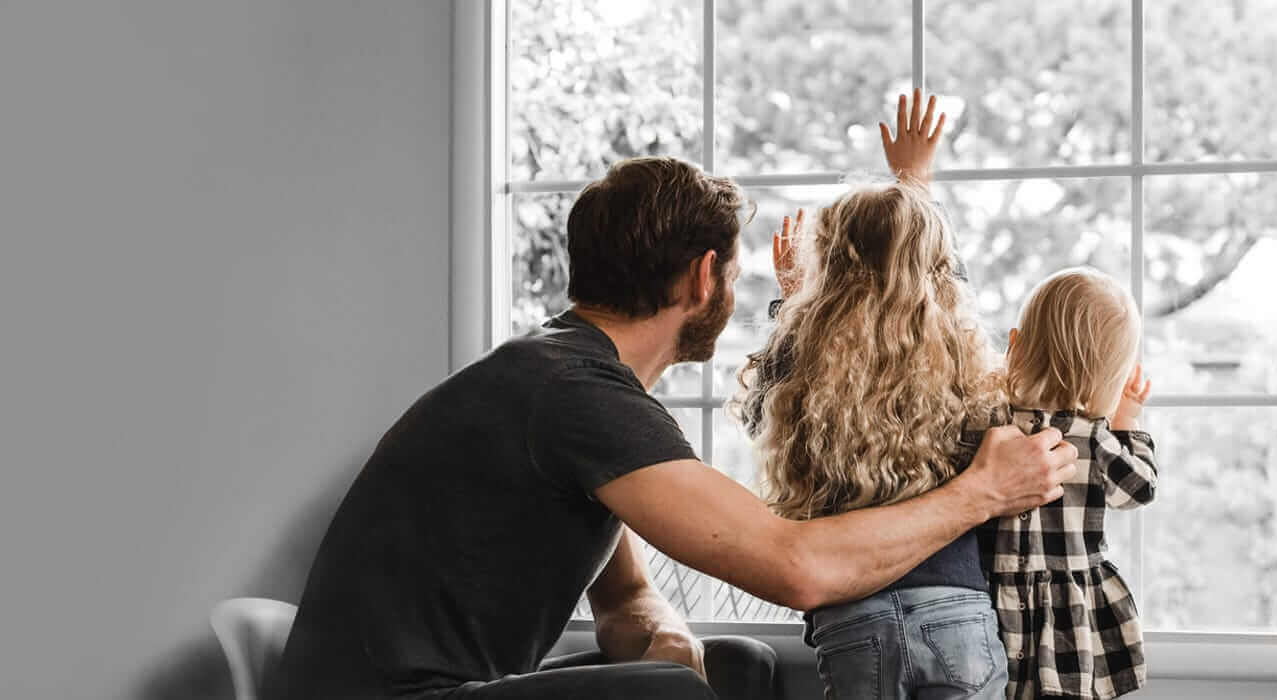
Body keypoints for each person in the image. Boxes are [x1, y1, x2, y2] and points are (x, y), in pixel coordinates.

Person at [265, 104, 1080, 698]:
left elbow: (624, 599)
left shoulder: (562, 384)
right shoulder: (577, 396)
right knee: (668, 695)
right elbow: (798, 570)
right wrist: (982, 491)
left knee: (734, 666)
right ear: (702, 278)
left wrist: (667, 638)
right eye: (733, 271)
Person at [734, 90, 1011, 699]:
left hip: (852, 618)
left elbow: (762, 416)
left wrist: (792, 307)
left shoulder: (803, 355)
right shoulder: (959, 354)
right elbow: (930, 276)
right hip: (955, 612)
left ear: (825, 266)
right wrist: (915, 183)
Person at [984, 268, 1160, 699]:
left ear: (1017, 346)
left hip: (992, 602)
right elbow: (1138, 489)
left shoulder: (992, 426)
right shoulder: (1095, 438)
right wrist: (1127, 422)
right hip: (1068, 613)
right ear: (1111, 378)